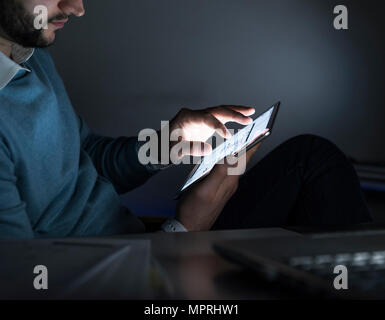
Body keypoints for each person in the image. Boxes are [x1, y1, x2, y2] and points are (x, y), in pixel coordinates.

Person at [0, 0, 371, 238]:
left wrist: (169, 143)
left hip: (143, 244)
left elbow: (82, 158)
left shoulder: (30, 52)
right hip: (142, 266)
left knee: (310, 157)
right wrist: (187, 228)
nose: (77, 7)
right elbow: (26, 280)